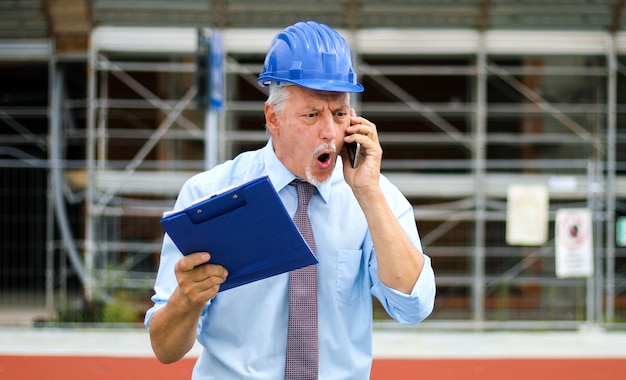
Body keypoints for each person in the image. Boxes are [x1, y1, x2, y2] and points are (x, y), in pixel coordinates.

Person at [145, 20, 436, 379]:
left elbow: (414, 307)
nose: (330, 132)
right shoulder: (209, 196)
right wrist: (186, 300)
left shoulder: (375, 195)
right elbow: (165, 349)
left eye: (340, 113)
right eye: (312, 115)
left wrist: (369, 194)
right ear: (274, 117)